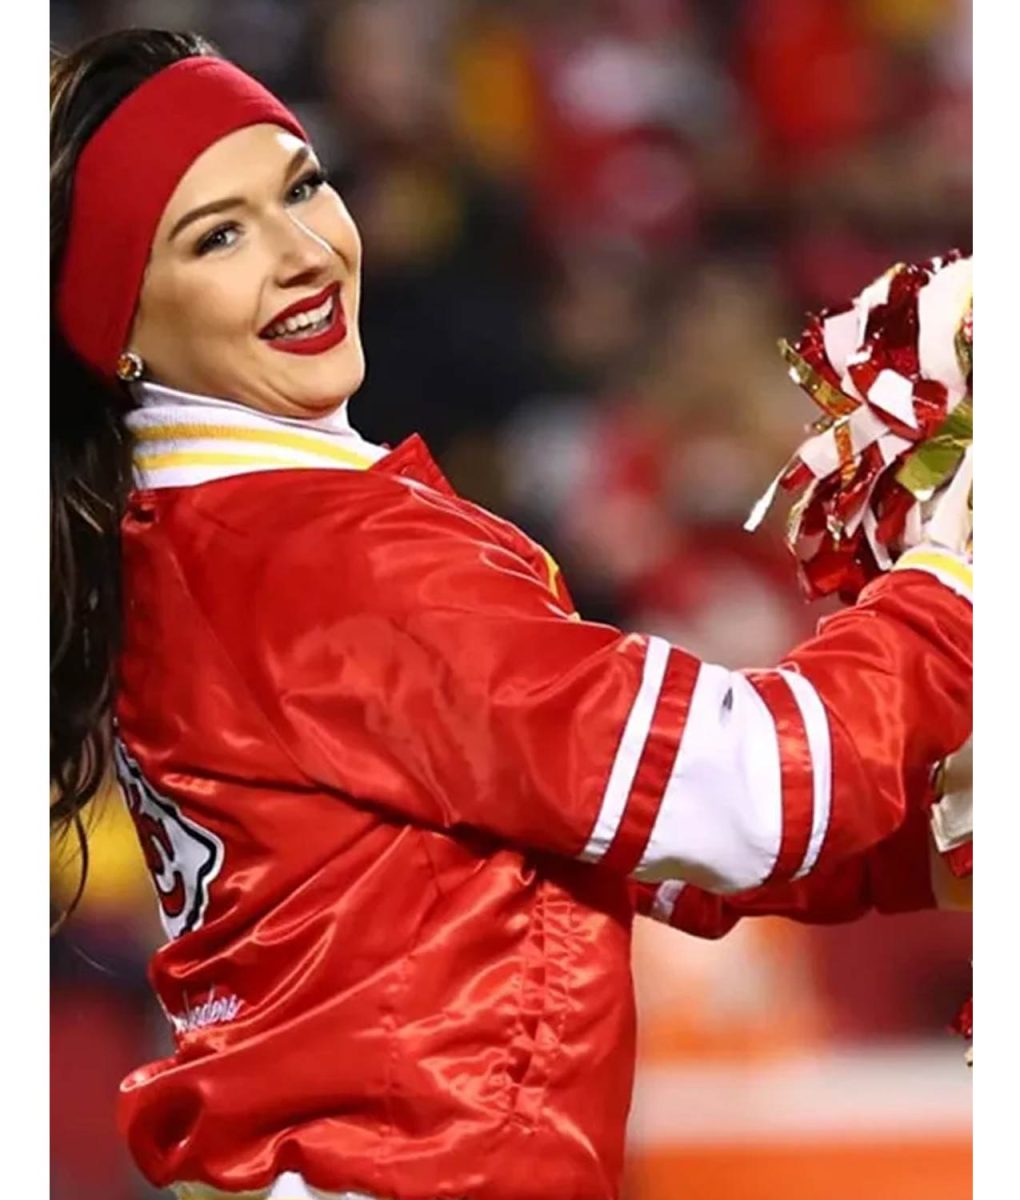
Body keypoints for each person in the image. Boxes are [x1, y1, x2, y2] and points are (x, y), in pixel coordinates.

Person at [49, 29, 972, 1200]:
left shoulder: (198, 539)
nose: (300, 252)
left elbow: (596, 833)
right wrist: (956, 588)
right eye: (215, 237)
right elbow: (747, 797)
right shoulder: (325, 557)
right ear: (117, 325)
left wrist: (933, 844)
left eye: (302, 185)